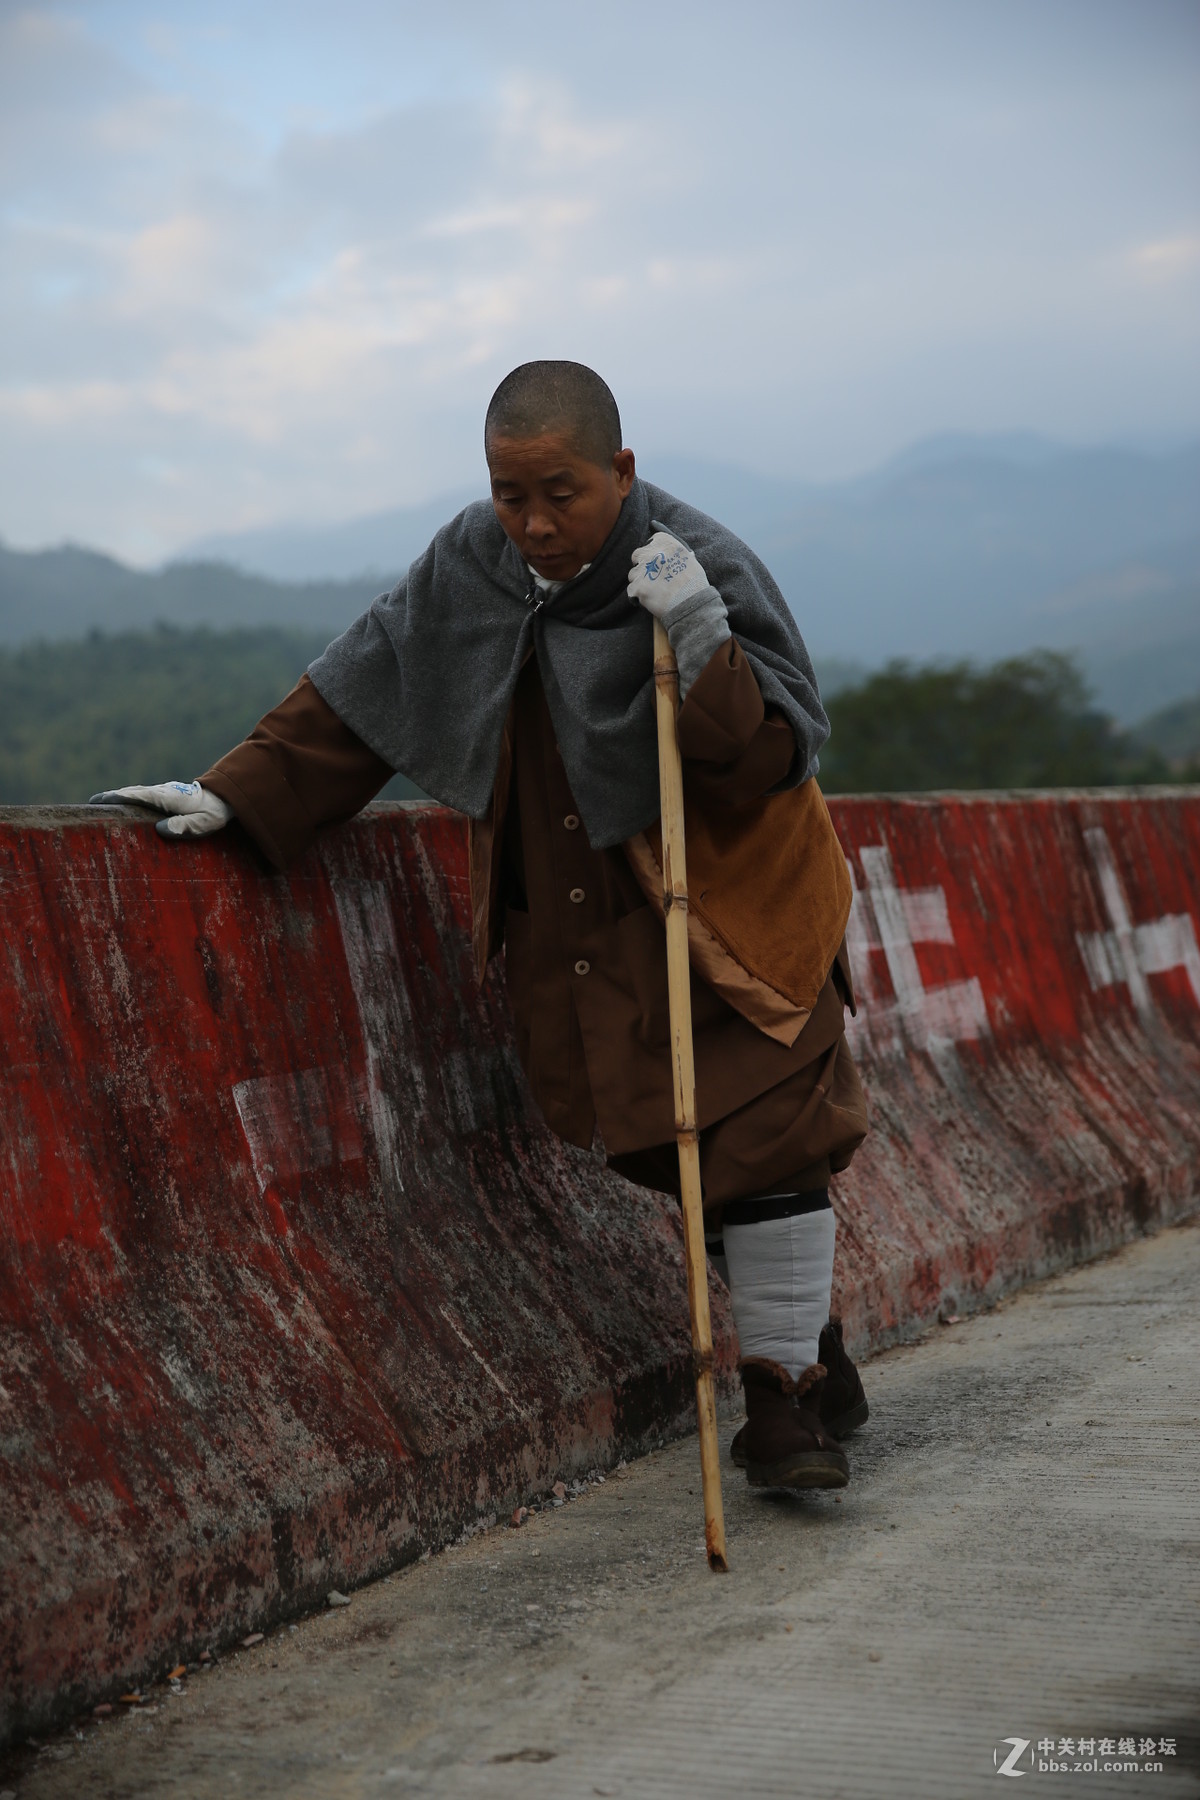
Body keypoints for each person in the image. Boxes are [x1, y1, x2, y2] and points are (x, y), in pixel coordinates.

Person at [92, 360, 870, 1494]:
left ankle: (783, 1403)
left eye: (562, 493)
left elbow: (774, 753)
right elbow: (371, 683)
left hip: (723, 886)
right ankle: (812, 1353)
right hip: (579, 898)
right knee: (675, 1137)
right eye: (512, 495)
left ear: (621, 470)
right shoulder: (476, 557)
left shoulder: (699, 561)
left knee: (767, 1127)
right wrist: (238, 791)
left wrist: (700, 633)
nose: (536, 524)